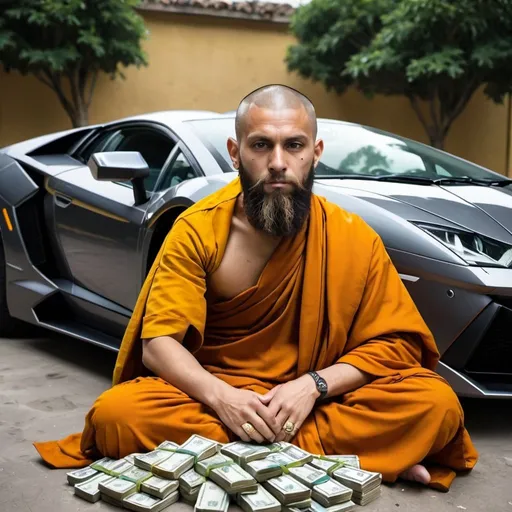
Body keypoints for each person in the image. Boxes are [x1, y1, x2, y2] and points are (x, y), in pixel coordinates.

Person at [34, 84, 478, 492]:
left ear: (316, 151)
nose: (279, 162)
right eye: (261, 145)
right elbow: (159, 345)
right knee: (120, 414)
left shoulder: (351, 235)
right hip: (215, 395)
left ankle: (228, 460)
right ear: (235, 151)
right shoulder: (198, 230)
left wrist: (312, 386)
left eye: (295, 145)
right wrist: (225, 400)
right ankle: (360, 459)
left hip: (318, 399)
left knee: (435, 403)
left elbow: (396, 343)